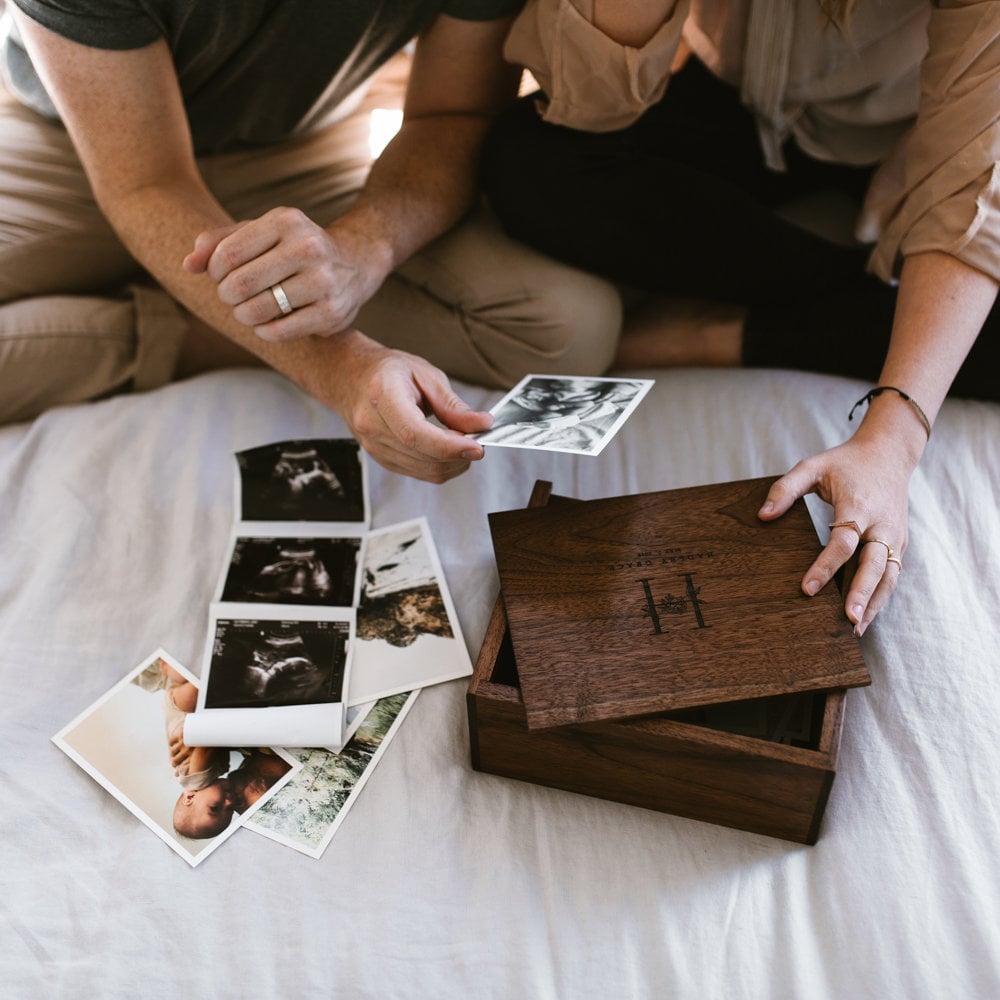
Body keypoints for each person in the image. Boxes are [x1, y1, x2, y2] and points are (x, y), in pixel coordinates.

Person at [480, 0, 1000, 636]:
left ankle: (715, 331)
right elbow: (590, 108)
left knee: (962, 292)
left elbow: (972, 195)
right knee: (521, 161)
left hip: (915, 127)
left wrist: (890, 446)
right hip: (733, 102)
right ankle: (876, 293)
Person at [0, 0, 621, 482]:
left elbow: (454, 114)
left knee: (569, 324)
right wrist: (344, 368)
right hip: (79, 144)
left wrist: (362, 247)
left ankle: (186, 325)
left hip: (301, 148)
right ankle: (213, 306)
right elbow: (147, 182)